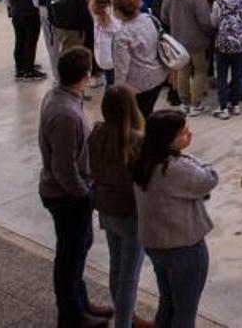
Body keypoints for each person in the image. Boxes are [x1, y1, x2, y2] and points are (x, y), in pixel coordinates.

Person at [38, 47, 115, 328]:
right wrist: (83, 193)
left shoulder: (62, 98)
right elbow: (63, 165)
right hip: (66, 195)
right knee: (70, 255)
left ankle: (80, 303)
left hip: (69, 191)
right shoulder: (66, 113)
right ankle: (71, 314)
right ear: (85, 76)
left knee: (79, 248)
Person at [133, 110, 218, 328]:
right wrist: (185, 154)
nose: (189, 134)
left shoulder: (143, 159)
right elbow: (209, 177)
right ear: (167, 139)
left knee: (168, 302)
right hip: (183, 248)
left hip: (156, 244)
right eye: (183, 132)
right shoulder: (175, 168)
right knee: (185, 311)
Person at [88, 86, 149, 328]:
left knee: (116, 268)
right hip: (131, 216)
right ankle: (124, 322)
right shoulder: (136, 140)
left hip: (106, 209)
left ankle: (125, 317)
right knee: (129, 277)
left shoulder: (97, 132)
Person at [161, 0, 215, 116]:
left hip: (178, 39)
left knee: (183, 70)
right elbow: (205, 21)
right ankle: (196, 104)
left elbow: (164, 17)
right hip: (197, 40)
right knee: (200, 70)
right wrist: (210, 33)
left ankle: (184, 102)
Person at [110, 0, 168, 116]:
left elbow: (121, 66)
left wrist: (118, 89)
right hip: (158, 74)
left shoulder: (122, 35)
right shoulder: (148, 19)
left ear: (119, 11)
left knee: (138, 117)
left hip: (138, 85)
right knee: (147, 110)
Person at [210, 0, 242, 119]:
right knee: (237, 73)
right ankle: (236, 104)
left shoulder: (218, 3)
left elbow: (213, 22)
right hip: (239, 42)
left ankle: (223, 106)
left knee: (221, 75)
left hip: (223, 43)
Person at [8, 0, 47, 81]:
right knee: (31, 42)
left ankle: (19, 68)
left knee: (19, 40)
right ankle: (29, 70)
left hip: (16, 14)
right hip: (30, 14)